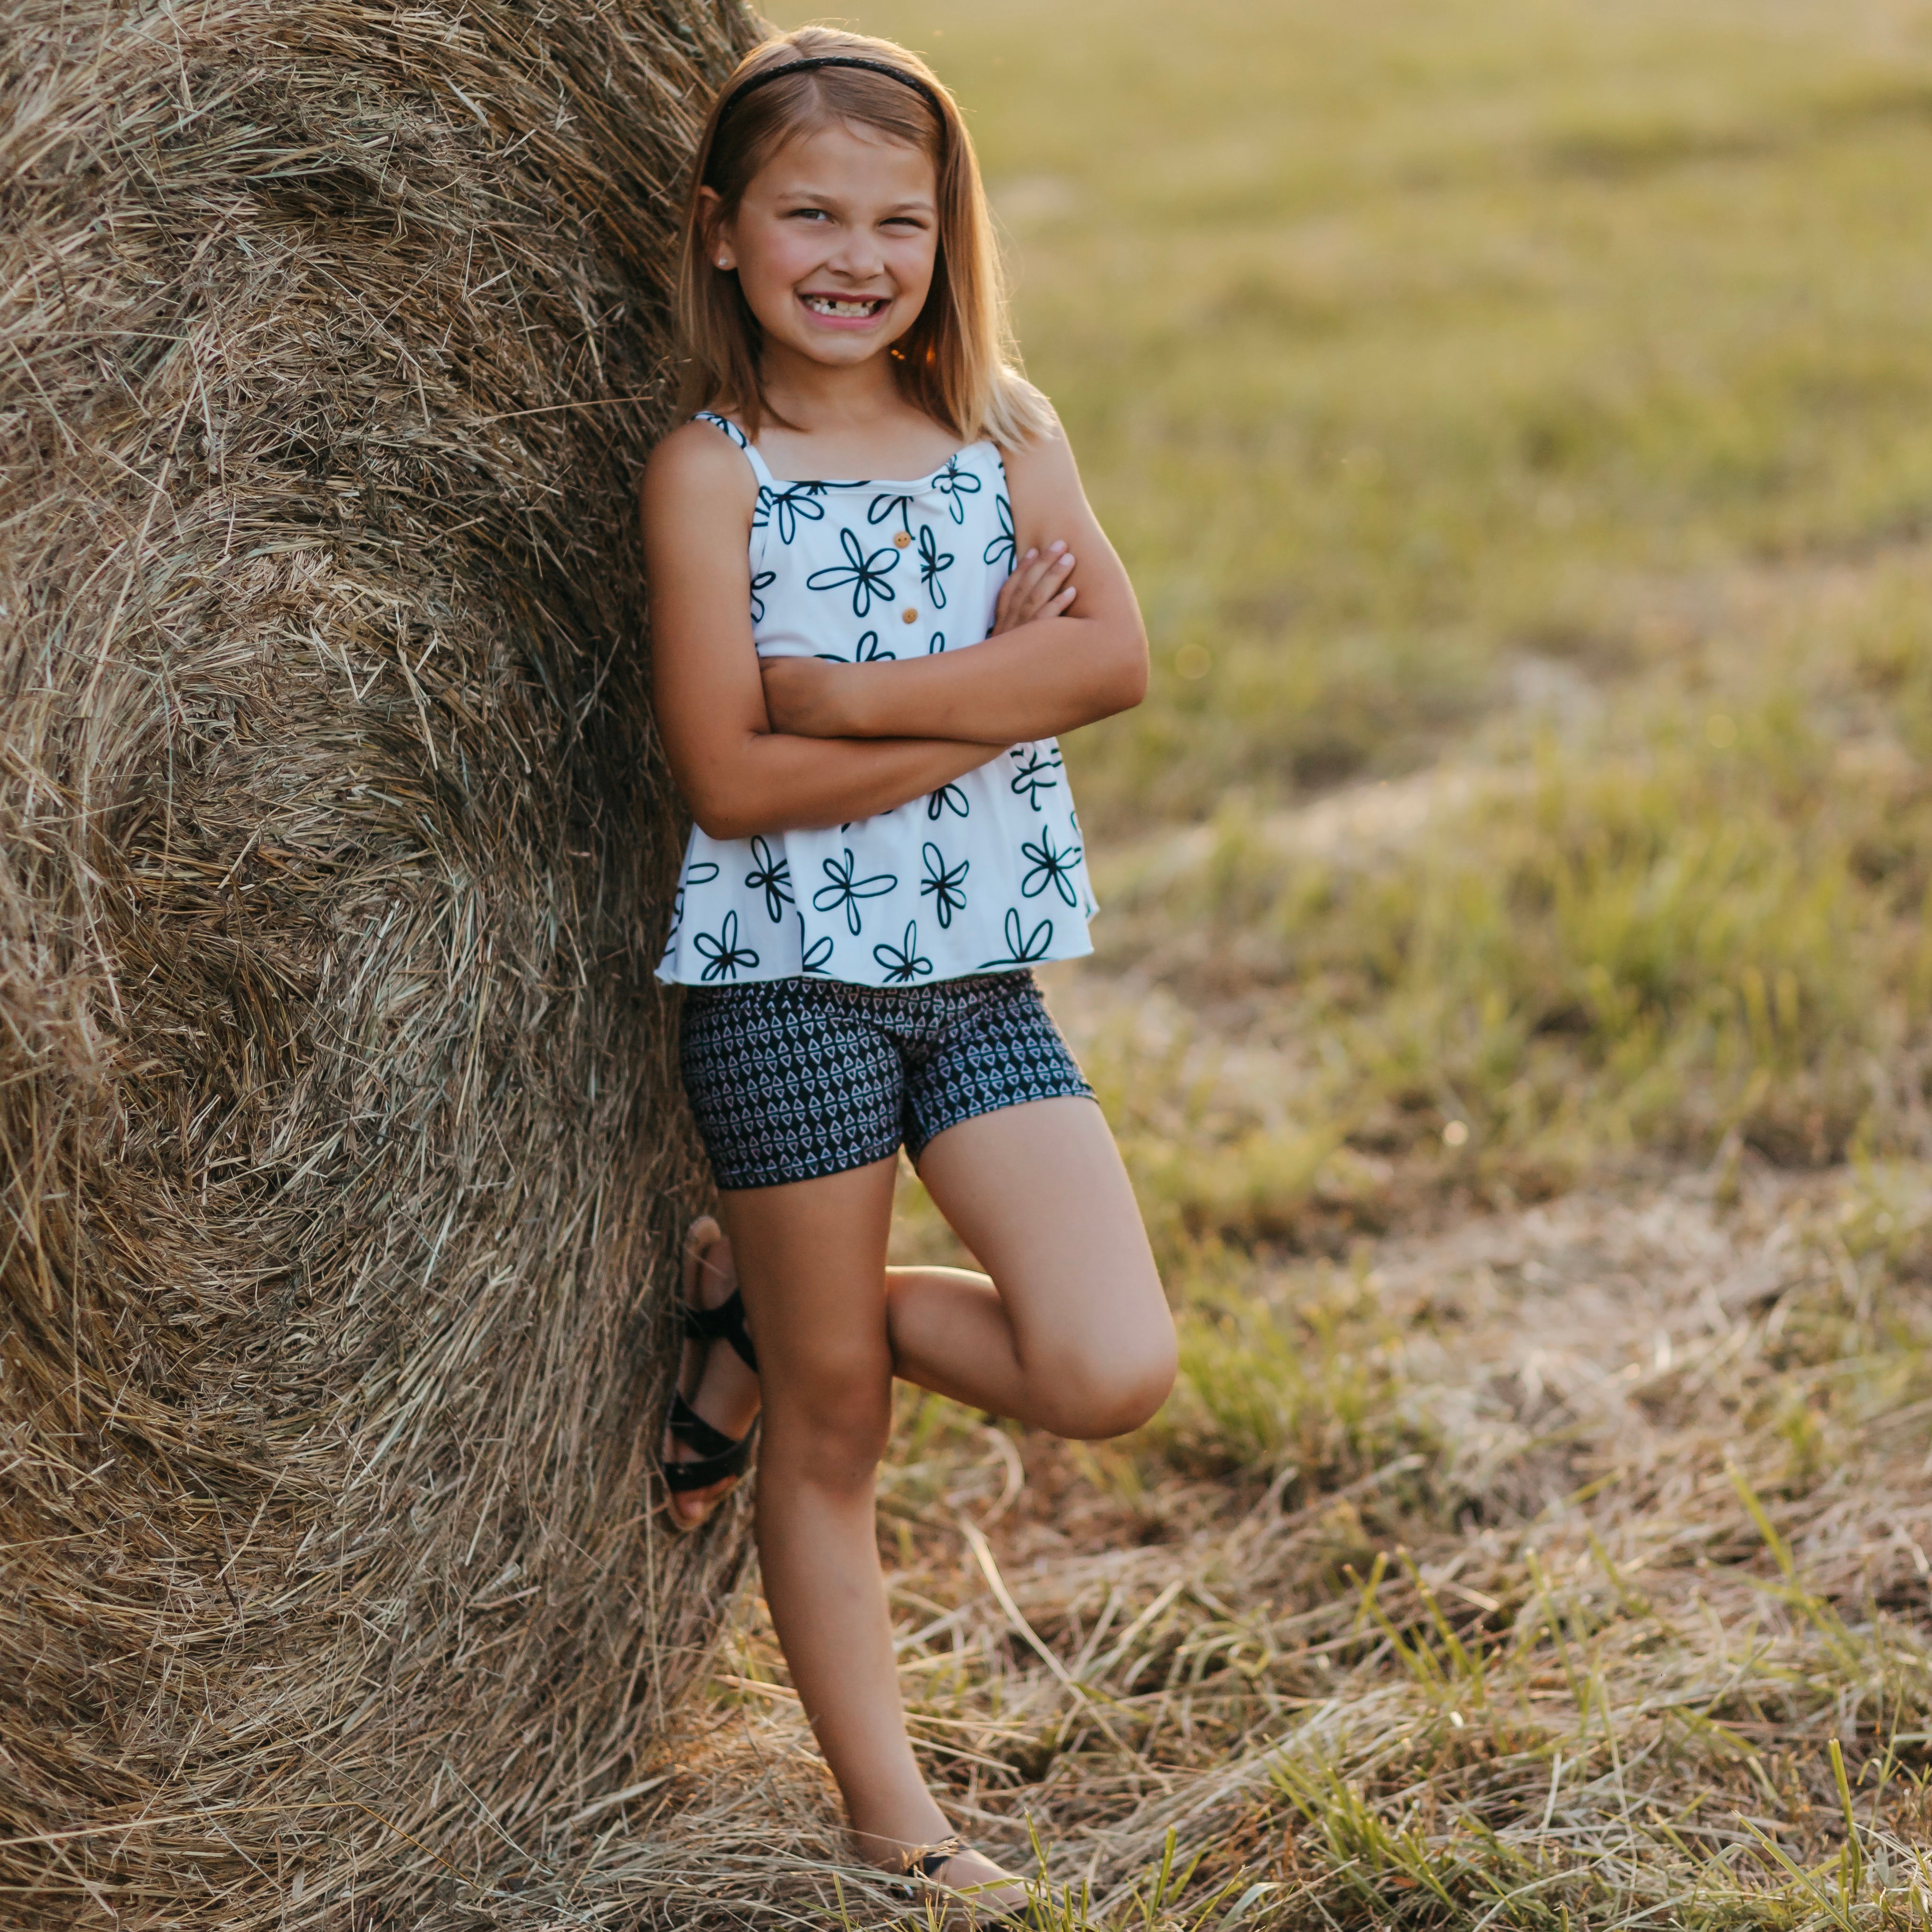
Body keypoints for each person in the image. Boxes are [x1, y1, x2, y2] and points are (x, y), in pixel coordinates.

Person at [639, 26, 1177, 1924]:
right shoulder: (711, 478)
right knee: (841, 1421)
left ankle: (763, 1311)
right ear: (721, 234)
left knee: (1109, 1362)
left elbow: (1107, 663)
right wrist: (981, 703)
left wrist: (859, 698)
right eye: (809, 215)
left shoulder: (1006, 430)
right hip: (786, 989)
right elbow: (732, 778)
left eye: (899, 218)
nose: (855, 256)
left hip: (980, 980)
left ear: (951, 237)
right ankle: (897, 1824)